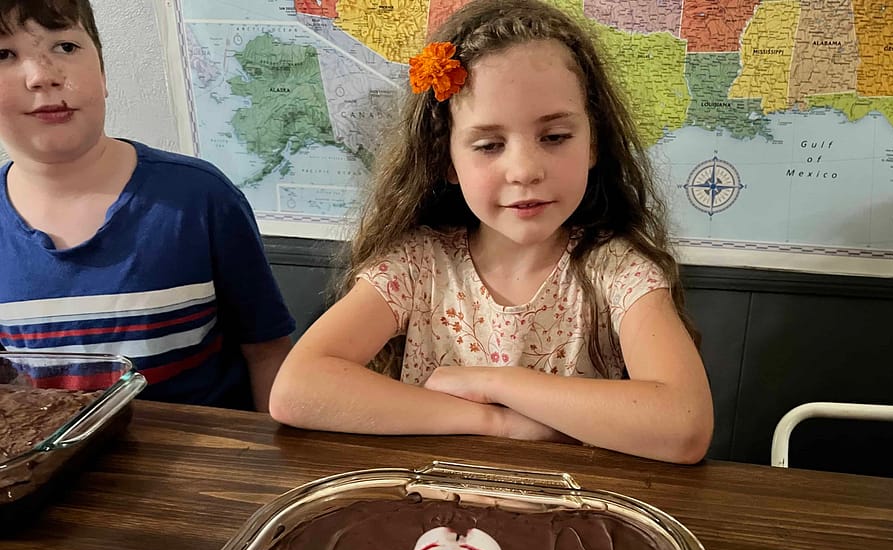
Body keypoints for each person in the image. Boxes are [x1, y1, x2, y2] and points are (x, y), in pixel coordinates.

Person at [269, 0, 713, 462]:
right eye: (488, 145)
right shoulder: (418, 265)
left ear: (593, 143)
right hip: (434, 515)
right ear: (447, 160)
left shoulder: (617, 270)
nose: (524, 169)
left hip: (569, 516)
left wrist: (490, 381)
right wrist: (495, 421)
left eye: (555, 137)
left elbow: (684, 425)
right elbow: (297, 389)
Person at [0, 0, 295, 411]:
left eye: (65, 46)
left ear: (102, 72)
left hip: (204, 463)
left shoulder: (200, 197)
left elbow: (267, 352)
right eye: (4, 54)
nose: (42, 76)